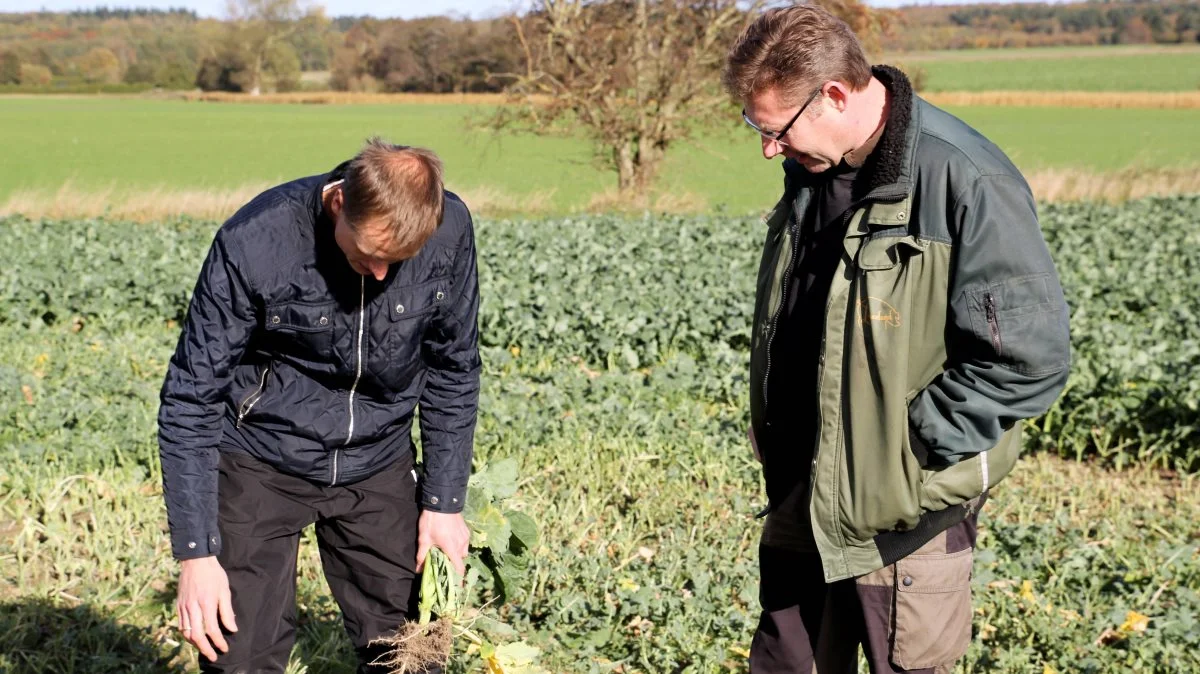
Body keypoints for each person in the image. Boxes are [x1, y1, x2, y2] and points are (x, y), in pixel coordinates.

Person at [724, 7, 1071, 673]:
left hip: (904, 525)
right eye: (755, 127)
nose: (768, 148)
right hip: (803, 502)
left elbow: (1029, 360)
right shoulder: (810, 173)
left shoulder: (962, 179)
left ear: (834, 94)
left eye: (776, 129)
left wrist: (905, 454)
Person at [158, 138, 480, 673]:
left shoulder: (450, 232)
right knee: (237, 656)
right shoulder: (255, 241)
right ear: (337, 205)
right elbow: (191, 395)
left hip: (378, 459)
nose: (380, 276)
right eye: (370, 255)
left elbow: (454, 367)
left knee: (415, 651)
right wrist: (197, 553)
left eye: (397, 263)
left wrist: (444, 504)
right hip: (261, 456)